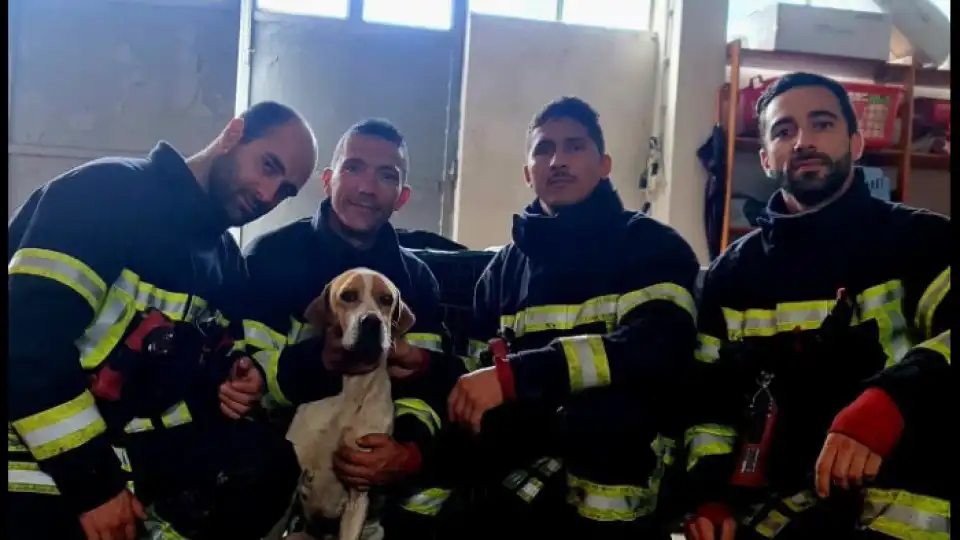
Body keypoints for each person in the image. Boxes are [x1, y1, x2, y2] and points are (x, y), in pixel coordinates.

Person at [8, 101, 319, 540]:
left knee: (267, 462)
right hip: (33, 451)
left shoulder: (226, 262)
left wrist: (232, 381)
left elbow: (199, 373)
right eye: (268, 166)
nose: (269, 195)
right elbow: (23, 345)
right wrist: (95, 488)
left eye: (285, 190)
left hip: (128, 449)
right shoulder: (104, 192)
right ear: (233, 134)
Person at [682, 72, 951, 540]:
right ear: (766, 158)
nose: (804, 141)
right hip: (782, 510)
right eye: (784, 131)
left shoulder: (923, 241)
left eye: (822, 124)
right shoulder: (731, 276)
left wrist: (892, 398)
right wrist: (711, 496)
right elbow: (708, 402)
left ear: (856, 142)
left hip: (906, 503)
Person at [448, 96, 701, 540]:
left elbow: (656, 348)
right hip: (524, 463)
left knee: (608, 419)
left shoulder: (652, 246)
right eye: (543, 149)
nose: (558, 160)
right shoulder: (502, 271)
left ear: (604, 164)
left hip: (621, 476)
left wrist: (518, 377)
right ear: (528, 172)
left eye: (574, 147)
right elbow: (476, 378)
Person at [239, 118, 467, 540]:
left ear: (402, 196)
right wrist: (318, 361)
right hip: (279, 465)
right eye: (353, 168)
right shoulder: (271, 258)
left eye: (387, 175)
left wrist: (406, 451)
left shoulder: (416, 282)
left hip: (376, 483)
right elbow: (247, 378)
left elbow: (427, 386)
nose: (367, 187)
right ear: (328, 180)